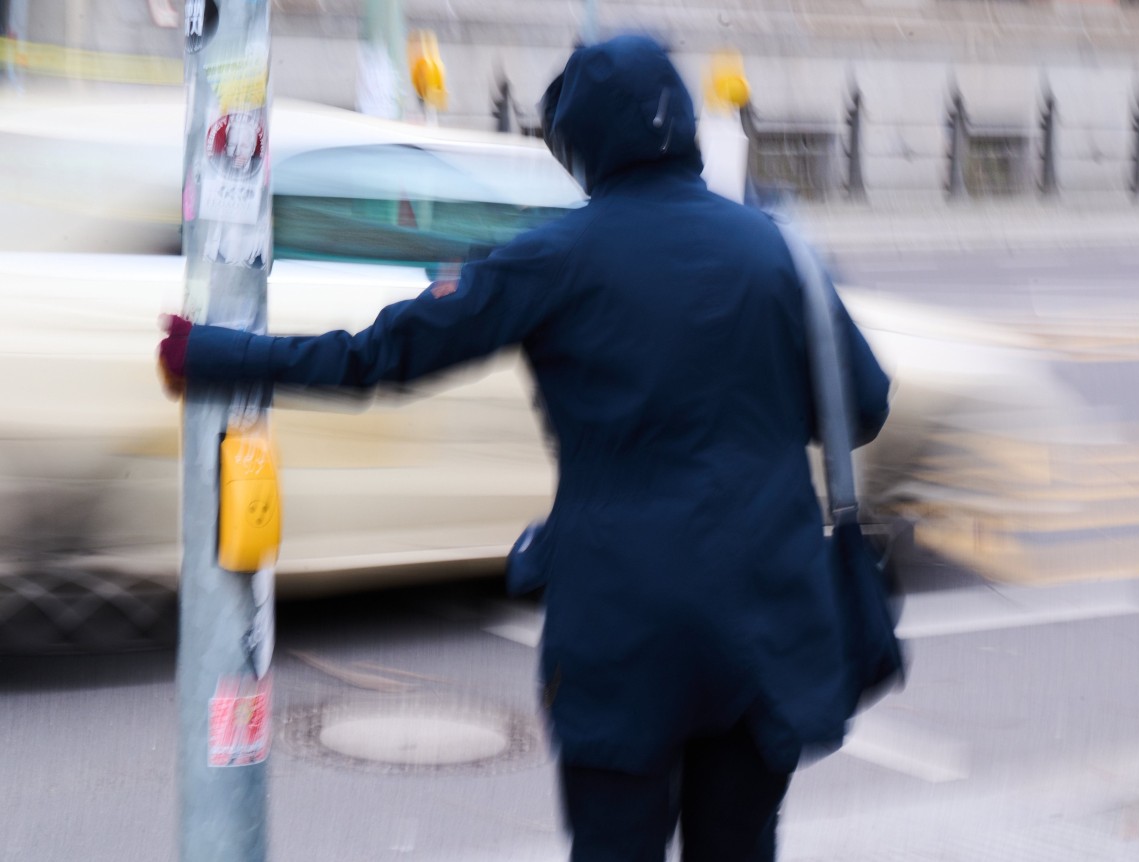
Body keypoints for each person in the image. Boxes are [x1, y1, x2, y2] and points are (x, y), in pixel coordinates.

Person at [159, 34, 891, 862]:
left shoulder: (554, 260)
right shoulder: (778, 250)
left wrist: (217, 353)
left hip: (625, 630)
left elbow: (377, 360)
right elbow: (864, 407)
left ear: (582, 144)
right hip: (769, 625)